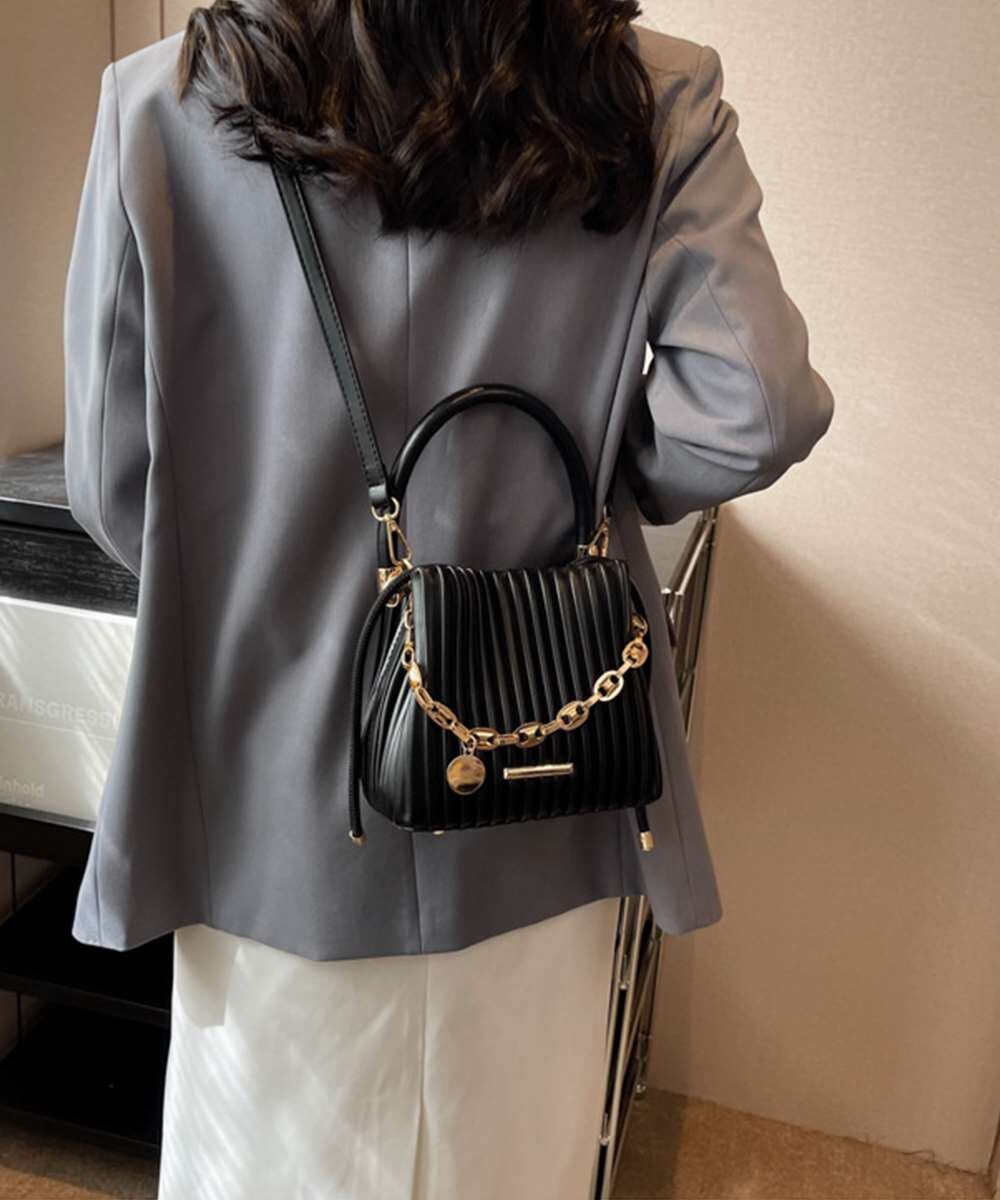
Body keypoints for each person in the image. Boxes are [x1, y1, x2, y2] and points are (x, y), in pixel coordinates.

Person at [62, 2, 835, 1197]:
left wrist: (255, 571)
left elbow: (115, 486)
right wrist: (583, 496)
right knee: (508, 1147)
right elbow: (757, 411)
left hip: (269, 789)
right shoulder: (647, 91)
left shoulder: (160, 104)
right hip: (538, 768)